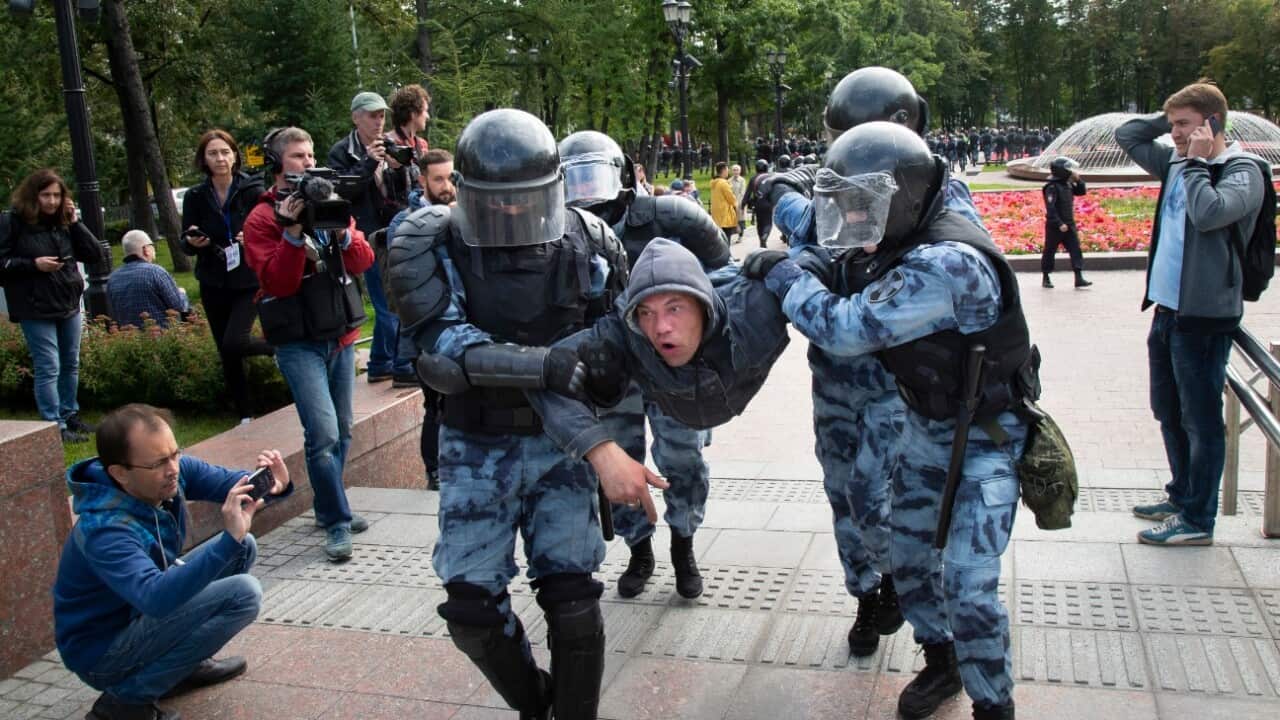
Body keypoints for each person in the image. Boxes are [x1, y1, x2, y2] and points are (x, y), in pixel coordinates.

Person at [745, 121, 1037, 720]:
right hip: (927, 426)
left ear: (901, 199)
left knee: (969, 584)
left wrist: (784, 274)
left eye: (864, 208)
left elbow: (845, 328)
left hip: (985, 438)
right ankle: (941, 658)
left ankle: (993, 705)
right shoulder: (917, 218)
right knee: (908, 558)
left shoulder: (946, 263)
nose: (853, 223)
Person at [387, 109, 666, 720]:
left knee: (572, 597)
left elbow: (614, 340)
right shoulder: (430, 241)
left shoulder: (591, 240)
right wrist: (544, 366)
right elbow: (442, 346)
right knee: (471, 609)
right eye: (497, 201)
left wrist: (604, 374)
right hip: (474, 441)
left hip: (561, 441)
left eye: (526, 199)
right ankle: (537, 705)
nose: (512, 212)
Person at [557, 129, 730, 600]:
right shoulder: (562, 229)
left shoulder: (663, 217)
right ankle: (639, 549)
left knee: (684, 458)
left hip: (671, 362)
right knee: (621, 457)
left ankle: (683, 545)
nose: (588, 191)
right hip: (612, 367)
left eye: (594, 177)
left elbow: (719, 269)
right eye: (576, 180)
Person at [53, 403, 291, 720]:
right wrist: (228, 539)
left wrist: (273, 484)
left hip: (140, 615)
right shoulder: (105, 530)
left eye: (175, 454)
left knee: (243, 548)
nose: (173, 469)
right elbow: (156, 598)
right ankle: (124, 703)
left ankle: (180, 668)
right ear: (120, 473)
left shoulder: (168, 475)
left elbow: (235, 485)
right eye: (159, 463)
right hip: (103, 653)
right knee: (243, 593)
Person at [1117, 80, 1268, 546]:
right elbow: (1127, 135)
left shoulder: (1242, 171)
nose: (1175, 134)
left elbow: (1208, 214)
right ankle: (1182, 495)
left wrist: (1199, 161)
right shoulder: (1175, 160)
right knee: (1168, 410)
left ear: (1213, 122)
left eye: (1184, 124)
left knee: (1201, 421)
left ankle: (1198, 519)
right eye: (1173, 125)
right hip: (1167, 311)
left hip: (1204, 317)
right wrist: (1172, 123)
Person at [243, 126, 375, 562]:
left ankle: (326, 506)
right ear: (278, 163)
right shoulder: (262, 218)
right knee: (323, 434)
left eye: (311, 154)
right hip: (298, 342)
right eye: (299, 156)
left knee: (343, 429)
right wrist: (292, 234)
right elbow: (277, 282)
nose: (308, 163)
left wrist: (342, 233)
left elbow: (363, 261)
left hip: (339, 333)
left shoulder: (329, 201)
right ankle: (336, 522)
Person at [0, 168, 107, 443]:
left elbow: (94, 253)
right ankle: (54, 424)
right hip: (34, 305)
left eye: (57, 195)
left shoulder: (62, 223)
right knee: (49, 365)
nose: (51, 201)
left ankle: (70, 414)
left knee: (71, 362)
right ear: (33, 195)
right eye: (46, 195)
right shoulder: (13, 222)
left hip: (67, 301)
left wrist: (75, 223)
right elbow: (3, 263)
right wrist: (33, 265)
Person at [181, 129, 273, 425]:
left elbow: (270, 228)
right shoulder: (196, 196)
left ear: (234, 156)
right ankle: (245, 413)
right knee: (226, 351)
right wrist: (193, 241)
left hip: (247, 278)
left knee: (235, 341)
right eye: (213, 153)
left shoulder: (252, 190)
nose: (220, 158)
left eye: (225, 152)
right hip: (213, 278)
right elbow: (185, 240)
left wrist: (253, 236)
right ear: (204, 159)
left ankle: (279, 347)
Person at [328, 91, 414, 385]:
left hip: (391, 232)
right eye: (372, 115)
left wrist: (398, 169)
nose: (379, 121)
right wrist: (368, 162)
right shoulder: (342, 152)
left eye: (381, 115)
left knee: (390, 296)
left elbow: (401, 194)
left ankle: (378, 362)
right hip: (363, 236)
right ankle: (402, 364)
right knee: (387, 301)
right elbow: (341, 191)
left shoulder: (388, 145)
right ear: (356, 118)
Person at [386, 148, 456, 491]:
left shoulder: (465, 213)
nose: (447, 186)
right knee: (437, 404)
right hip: (424, 329)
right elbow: (403, 275)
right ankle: (435, 471)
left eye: (451, 178)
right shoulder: (406, 221)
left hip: (461, 324)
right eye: (438, 179)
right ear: (422, 181)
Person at [107, 230, 187, 328]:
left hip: (128, 335)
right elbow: (178, 306)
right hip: (161, 334)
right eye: (152, 245)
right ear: (145, 249)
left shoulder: (113, 278)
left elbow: (114, 313)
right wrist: (182, 293)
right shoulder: (156, 272)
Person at [1040, 156, 1091, 289]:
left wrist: (1078, 180)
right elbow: (1050, 208)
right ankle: (1046, 277)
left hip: (1069, 223)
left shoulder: (1067, 184)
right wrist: (1059, 223)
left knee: (1075, 250)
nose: (1070, 171)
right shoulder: (1051, 187)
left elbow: (1081, 191)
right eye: (1067, 169)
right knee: (1050, 251)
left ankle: (1078, 277)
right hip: (1056, 226)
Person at [384, 84, 432, 211]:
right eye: (425, 111)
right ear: (413, 114)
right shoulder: (386, 144)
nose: (427, 116)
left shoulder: (422, 145)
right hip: (395, 213)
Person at [743, 158, 773, 248]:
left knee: (760, 223)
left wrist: (743, 204)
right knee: (768, 223)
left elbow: (747, 193)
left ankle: (761, 241)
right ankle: (765, 236)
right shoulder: (770, 177)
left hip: (757, 204)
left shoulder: (753, 178)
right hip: (768, 203)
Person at [710, 162, 740, 243]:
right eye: (727, 169)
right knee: (726, 239)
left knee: (719, 240)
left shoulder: (713, 182)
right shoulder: (723, 183)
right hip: (725, 216)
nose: (728, 171)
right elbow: (732, 200)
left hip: (716, 215)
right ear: (723, 170)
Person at [729, 163, 747, 238]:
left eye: (737, 170)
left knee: (740, 219)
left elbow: (742, 193)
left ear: (740, 171)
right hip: (731, 203)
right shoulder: (729, 180)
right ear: (732, 171)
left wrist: (737, 203)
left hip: (740, 203)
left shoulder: (742, 180)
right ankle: (731, 235)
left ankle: (740, 236)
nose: (735, 171)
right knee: (732, 219)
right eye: (734, 170)